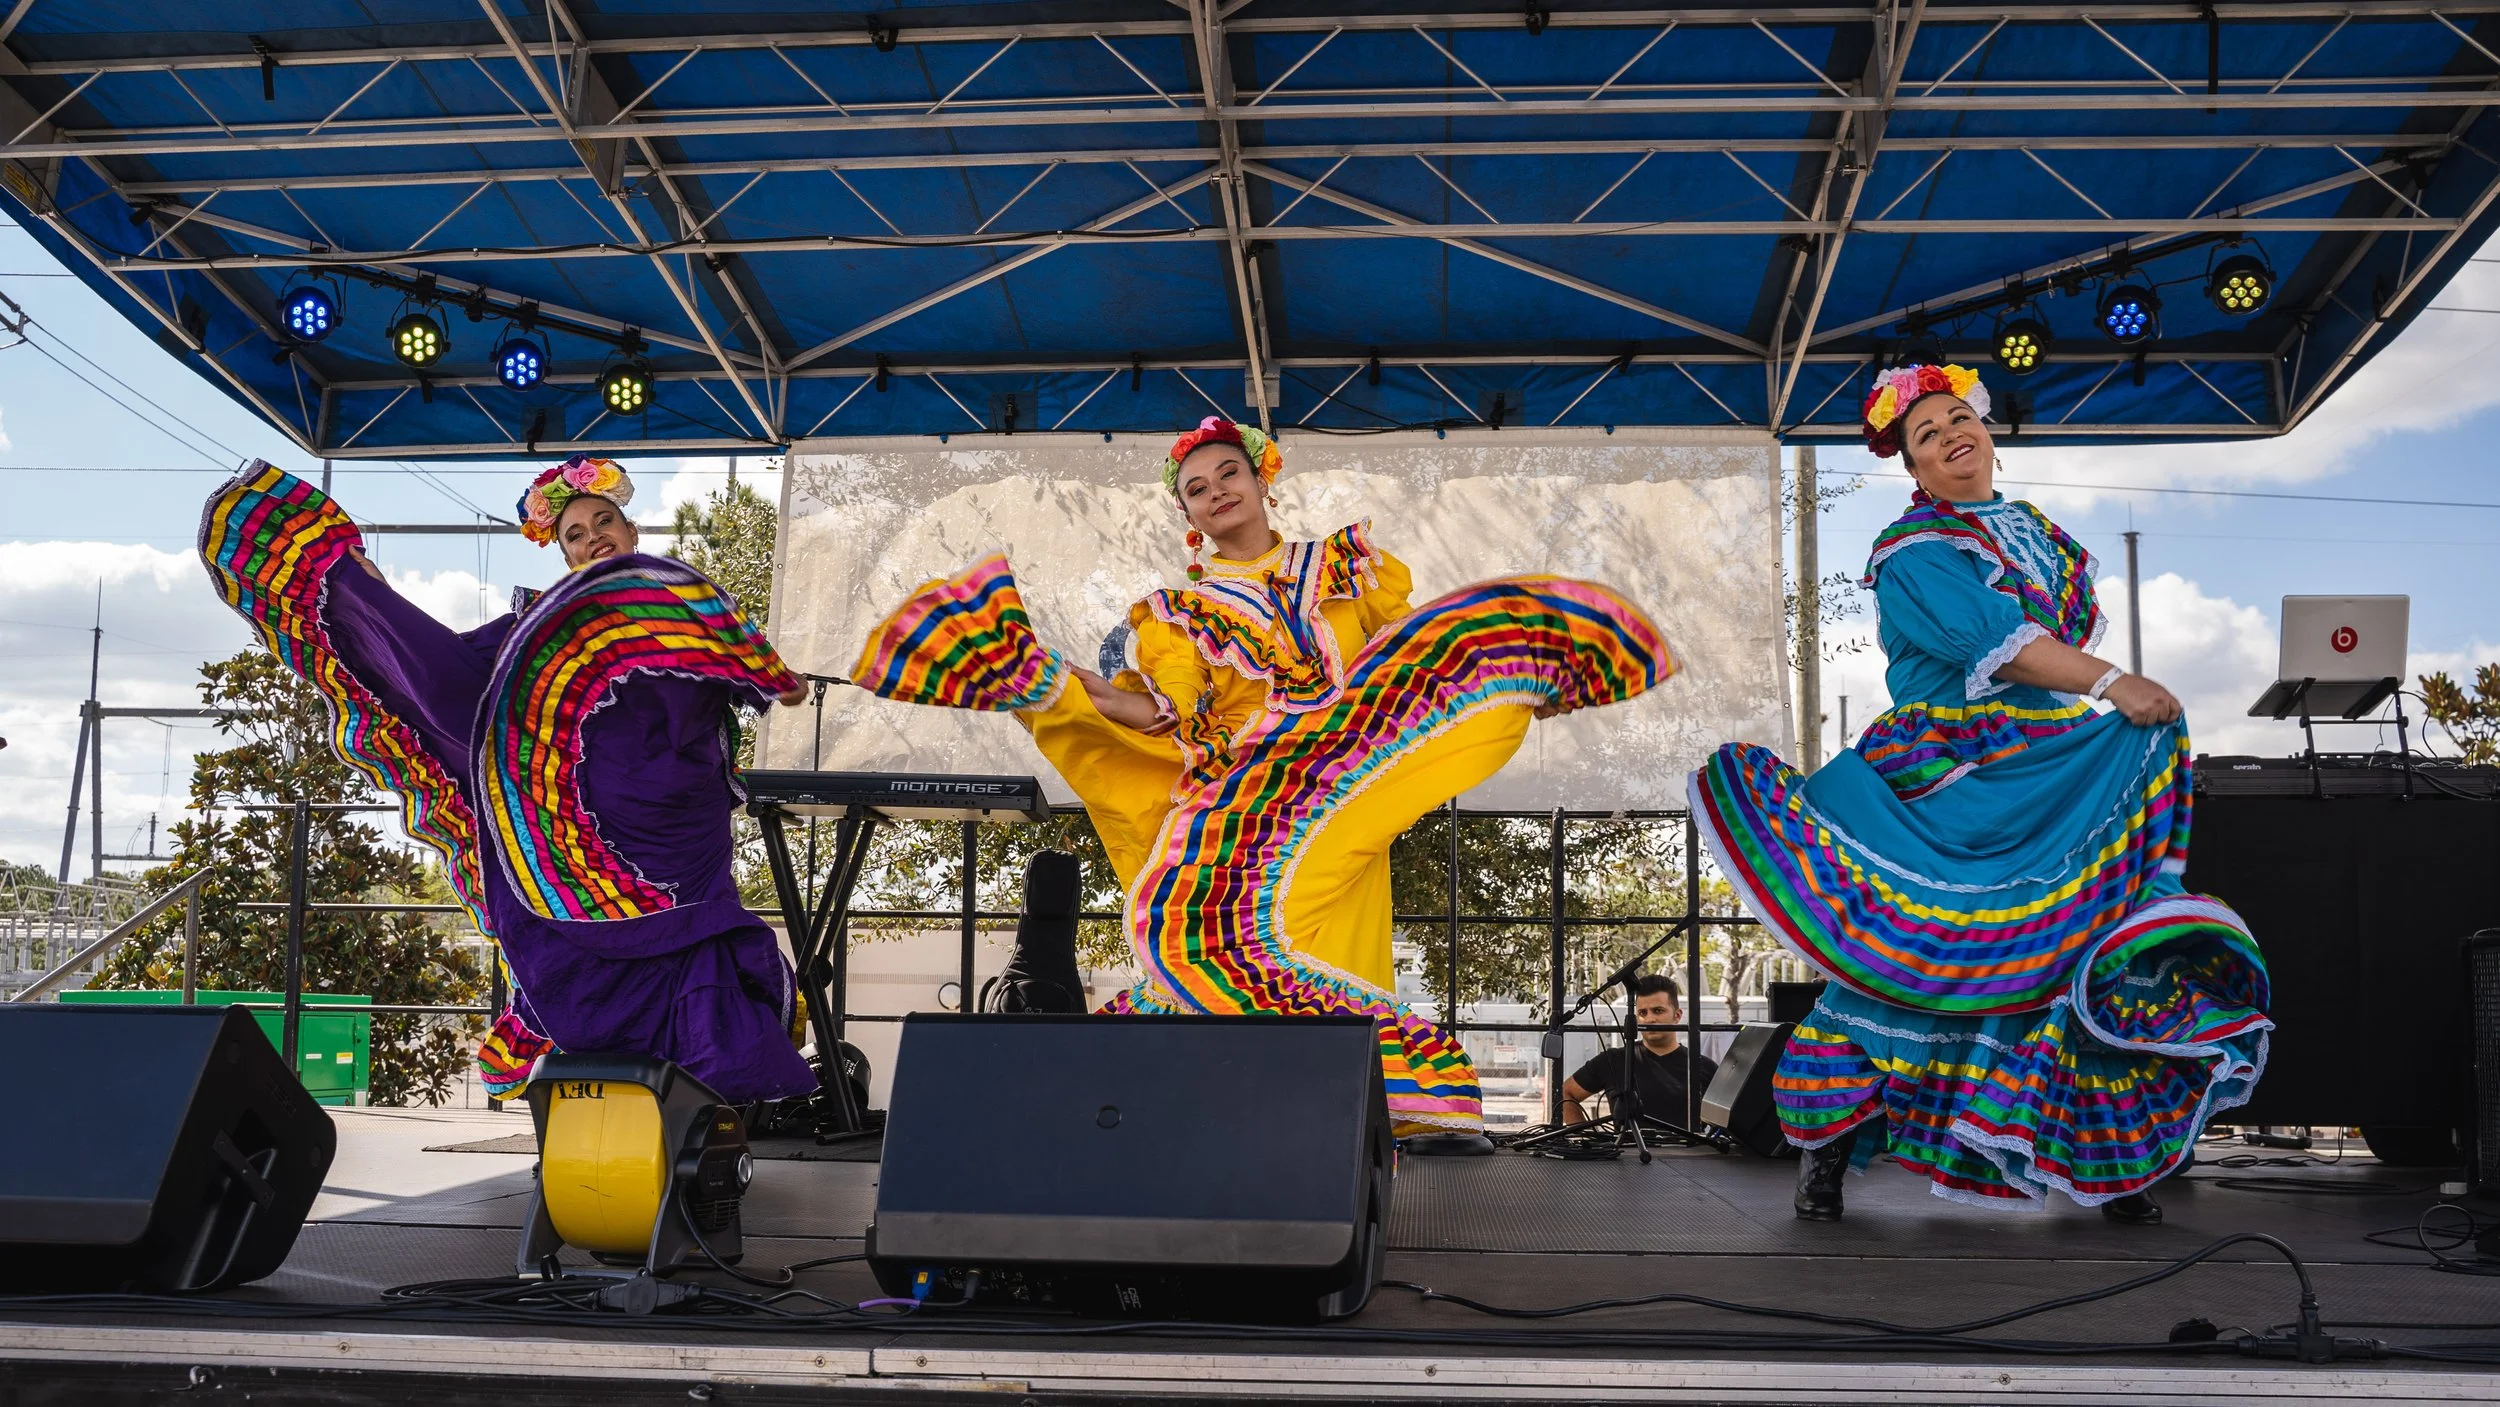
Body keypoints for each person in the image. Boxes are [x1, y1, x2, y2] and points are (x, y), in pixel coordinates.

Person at [852, 416, 1675, 1143]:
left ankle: (1377, 1111)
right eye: (1196, 489)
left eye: (1226, 475)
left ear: (1261, 478)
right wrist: (1052, 680)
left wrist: (1517, 679)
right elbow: (1157, 715)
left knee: (1341, 947)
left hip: (1351, 777)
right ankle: (1244, 1119)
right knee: (1228, 944)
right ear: (1187, 516)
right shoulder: (1176, 615)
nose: (1215, 494)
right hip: (1255, 814)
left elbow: (1413, 662)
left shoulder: (1349, 571)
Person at [1691, 365, 2271, 1223]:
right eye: (1926, 434)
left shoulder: (2028, 529)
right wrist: (2113, 681)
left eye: (1960, 417)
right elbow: (2002, 642)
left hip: (2047, 762)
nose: (1951, 434)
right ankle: (1826, 1149)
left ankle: (2104, 1164)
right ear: (1914, 471)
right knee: (1925, 952)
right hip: (1953, 768)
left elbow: (2047, 651)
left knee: (2074, 943)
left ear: (1988, 431)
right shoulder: (1916, 551)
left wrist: (2109, 698)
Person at [198, 456, 816, 1103]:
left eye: (604, 521)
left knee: (689, 936)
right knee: (478, 728)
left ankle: (689, 1117)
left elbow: (728, 650)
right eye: (575, 533)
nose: (593, 535)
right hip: (589, 816)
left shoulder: (668, 593)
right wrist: (366, 597)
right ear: (564, 552)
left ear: (630, 531)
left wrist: (765, 673)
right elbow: (445, 673)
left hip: (676, 813)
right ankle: (627, 1099)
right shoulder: (537, 627)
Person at [1559, 975, 1718, 1129]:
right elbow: (1566, 1093)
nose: (1649, 1019)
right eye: (1643, 1013)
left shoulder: (1703, 1067)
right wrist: (1584, 1140)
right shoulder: (1613, 1059)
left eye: (1658, 1011)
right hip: (1627, 1155)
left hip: (1690, 1155)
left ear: (1677, 1015)